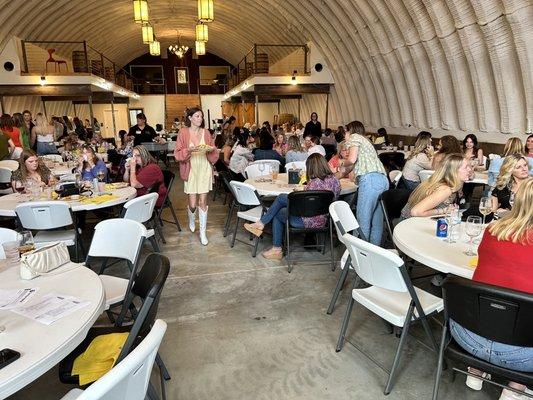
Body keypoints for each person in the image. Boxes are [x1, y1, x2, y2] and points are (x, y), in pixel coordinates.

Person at [450, 177, 533, 399]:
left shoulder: (493, 229)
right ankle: (515, 387)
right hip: (522, 353)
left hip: (467, 335)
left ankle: (476, 371)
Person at [244, 153, 341, 260]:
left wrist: (300, 193)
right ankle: (262, 226)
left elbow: (304, 207)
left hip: (305, 221)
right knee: (281, 205)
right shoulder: (335, 181)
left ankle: (274, 245)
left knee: (280, 203)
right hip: (324, 220)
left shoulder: (313, 183)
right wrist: (305, 192)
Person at [339, 121, 389, 245]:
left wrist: (342, 162)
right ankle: (373, 252)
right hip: (383, 180)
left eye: (345, 131)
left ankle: (360, 257)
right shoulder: (366, 141)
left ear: (350, 130)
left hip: (370, 181)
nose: (344, 135)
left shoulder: (354, 137)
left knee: (363, 221)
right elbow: (350, 168)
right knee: (377, 223)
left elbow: (351, 160)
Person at [174, 107, 218, 246]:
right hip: (191, 168)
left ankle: (203, 233)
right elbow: (177, 153)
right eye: (197, 116)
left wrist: (211, 149)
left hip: (204, 167)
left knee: (202, 202)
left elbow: (213, 149)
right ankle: (192, 218)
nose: (200, 119)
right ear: (190, 118)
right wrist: (189, 150)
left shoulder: (206, 132)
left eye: (201, 116)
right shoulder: (183, 132)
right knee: (192, 204)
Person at [400, 154, 471, 219]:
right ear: (454, 171)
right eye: (466, 167)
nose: (470, 169)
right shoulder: (445, 189)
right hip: (409, 224)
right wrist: (444, 210)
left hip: (411, 221)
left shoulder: (444, 181)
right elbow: (415, 212)